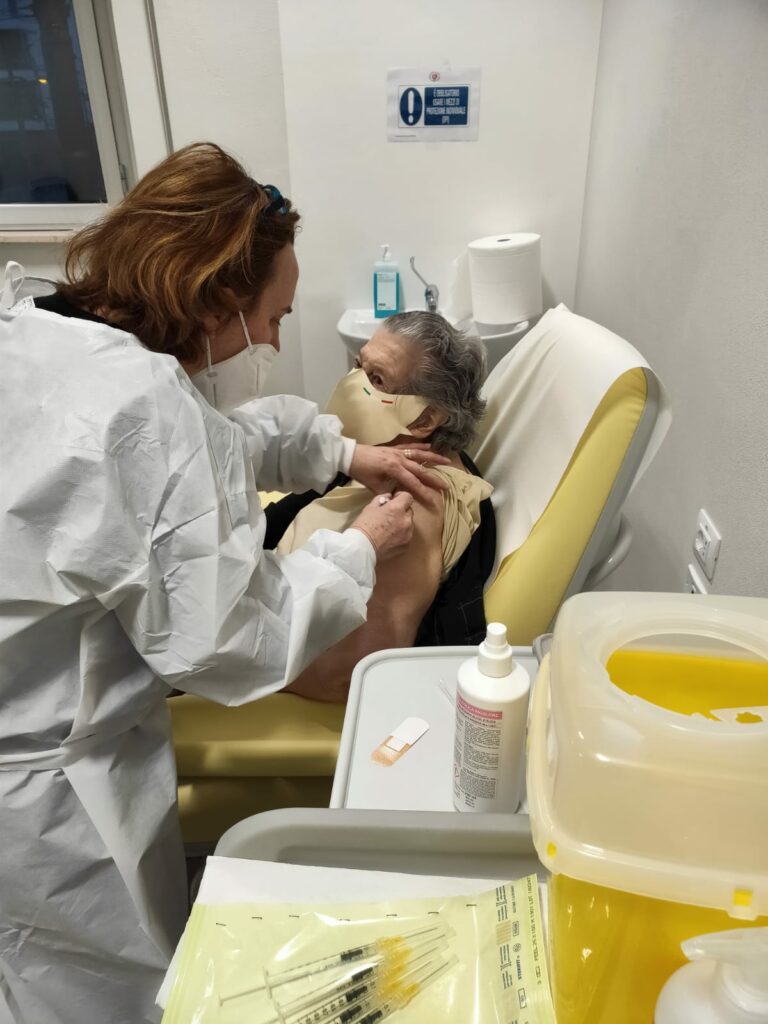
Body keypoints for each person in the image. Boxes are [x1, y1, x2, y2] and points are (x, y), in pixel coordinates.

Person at [0, 143, 450, 1024]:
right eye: (275, 317)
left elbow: (188, 445)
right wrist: (356, 547)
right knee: (90, 993)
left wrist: (337, 450)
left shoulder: (40, 332)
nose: (277, 341)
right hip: (43, 790)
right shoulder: (143, 405)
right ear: (214, 300)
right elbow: (229, 641)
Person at [264, 312, 495, 703]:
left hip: (274, 674)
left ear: (426, 418)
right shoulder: (379, 458)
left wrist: (238, 657)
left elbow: (353, 672)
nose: (352, 382)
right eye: (358, 364)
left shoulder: (414, 503)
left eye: (376, 379)